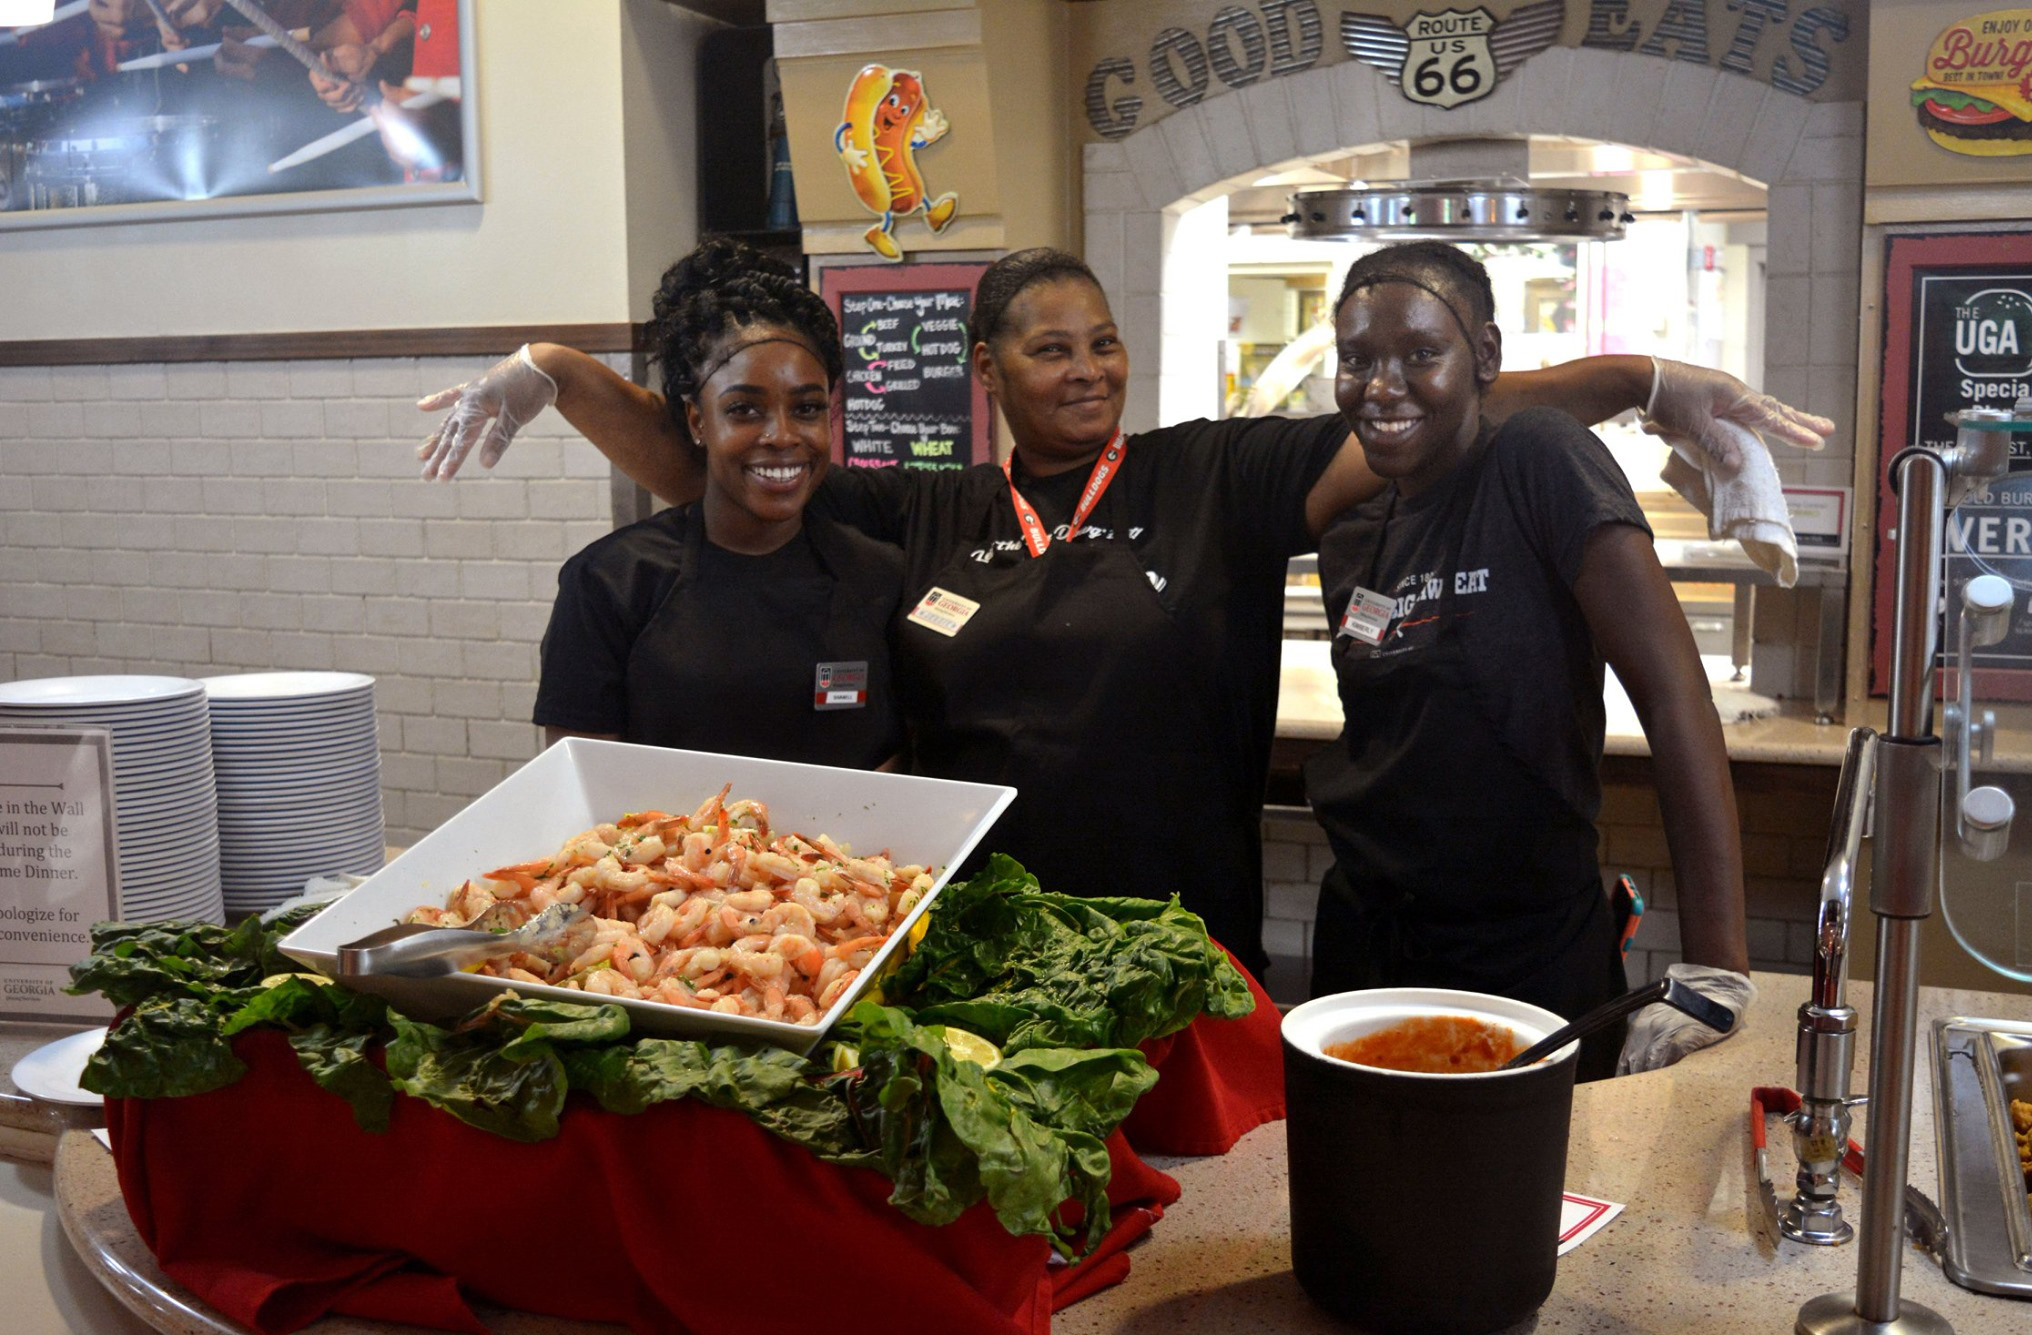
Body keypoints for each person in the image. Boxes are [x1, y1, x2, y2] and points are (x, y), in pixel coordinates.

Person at [415, 248, 1829, 997]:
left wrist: (1647, 380)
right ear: (989, 371)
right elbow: (729, 457)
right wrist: (552, 372)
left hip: (1185, 944)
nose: (1087, 367)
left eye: (1102, 341)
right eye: (1050, 346)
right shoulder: (930, 514)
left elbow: (1422, 411)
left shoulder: (1215, 473)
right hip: (987, 945)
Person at [1307, 241, 1750, 1079]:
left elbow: (1674, 698)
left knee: (1535, 1203)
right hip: (1367, 951)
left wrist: (1718, 961)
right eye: (1357, 359)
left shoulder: (1538, 458)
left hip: (1528, 955)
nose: (1381, 386)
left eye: (1421, 354)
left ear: (1487, 359)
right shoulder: (1352, 523)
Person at [531, 238, 904, 770]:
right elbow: (581, 788)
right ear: (697, 421)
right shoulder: (610, 583)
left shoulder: (878, 575)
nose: (782, 435)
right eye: (745, 409)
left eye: (807, 408)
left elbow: (895, 767)